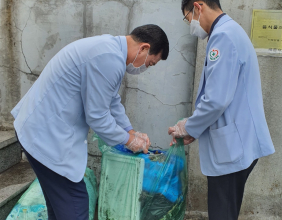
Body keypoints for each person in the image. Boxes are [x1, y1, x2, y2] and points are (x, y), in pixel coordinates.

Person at [11, 24, 169, 220]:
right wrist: (128, 140)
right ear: (144, 48)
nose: (146, 68)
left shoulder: (110, 50)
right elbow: (98, 117)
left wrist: (130, 131)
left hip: (40, 129)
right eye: (151, 63)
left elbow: (111, 100)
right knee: (75, 206)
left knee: (60, 209)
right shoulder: (109, 59)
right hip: (46, 137)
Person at [168, 1, 275, 219]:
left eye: (188, 18)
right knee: (226, 211)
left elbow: (216, 100)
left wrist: (187, 127)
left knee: (222, 213)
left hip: (232, 146)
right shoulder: (229, 31)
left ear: (198, 7)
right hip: (236, 140)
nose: (191, 24)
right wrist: (193, 129)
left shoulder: (223, 37)